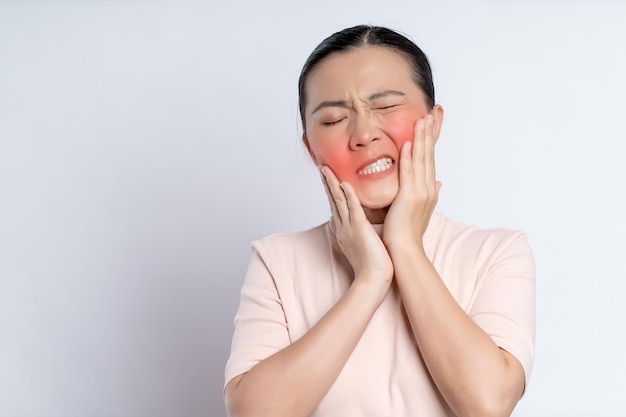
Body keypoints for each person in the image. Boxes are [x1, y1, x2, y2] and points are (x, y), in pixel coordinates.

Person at [224, 25, 535, 417]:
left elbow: (487, 404)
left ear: (433, 123)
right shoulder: (277, 259)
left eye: (386, 106)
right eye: (334, 119)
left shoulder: (495, 252)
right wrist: (369, 280)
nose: (364, 134)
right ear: (310, 149)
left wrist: (405, 245)